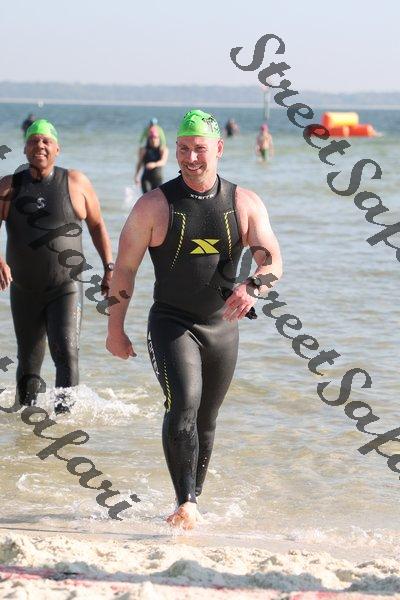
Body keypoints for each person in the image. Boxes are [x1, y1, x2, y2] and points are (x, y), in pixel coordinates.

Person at [106, 109, 282, 529]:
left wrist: (252, 286)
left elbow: (272, 261)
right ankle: (184, 500)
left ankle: (192, 503)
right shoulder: (154, 206)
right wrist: (115, 328)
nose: (190, 158)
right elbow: (124, 269)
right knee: (183, 403)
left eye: (199, 149)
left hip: (222, 327)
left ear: (218, 149)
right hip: (171, 322)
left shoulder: (244, 203)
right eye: (183, 149)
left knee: (206, 420)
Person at [0, 119, 113, 414]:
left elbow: (97, 225)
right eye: (33, 141)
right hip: (24, 290)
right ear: (25, 149)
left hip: (66, 288)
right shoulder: (9, 186)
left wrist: (109, 268)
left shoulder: (75, 182)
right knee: (28, 361)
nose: (40, 145)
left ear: (57, 149)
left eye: (46, 141)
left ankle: (65, 419)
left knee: (66, 355)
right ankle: (27, 423)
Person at [134, 126, 169, 193]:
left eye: (155, 137)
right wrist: (136, 175)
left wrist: (154, 164)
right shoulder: (143, 150)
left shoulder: (163, 149)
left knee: (157, 198)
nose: (153, 139)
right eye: (151, 137)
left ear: (159, 138)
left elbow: (163, 162)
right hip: (146, 178)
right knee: (146, 197)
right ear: (148, 139)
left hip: (157, 178)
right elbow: (139, 163)